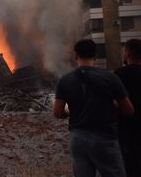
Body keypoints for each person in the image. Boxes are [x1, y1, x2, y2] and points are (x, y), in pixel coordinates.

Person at [53, 39, 134, 177]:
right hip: (104, 137)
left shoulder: (65, 80)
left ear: (76, 56)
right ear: (95, 56)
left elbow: (58, 112)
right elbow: (129, 110)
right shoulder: (110, 77)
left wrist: (71, 112)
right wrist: (112, 107)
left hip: (77, 138)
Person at [115, 38, 141, 177]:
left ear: (128, 55)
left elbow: (112, 103)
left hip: (126, 130)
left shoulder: (119, 75)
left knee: (129, 168)